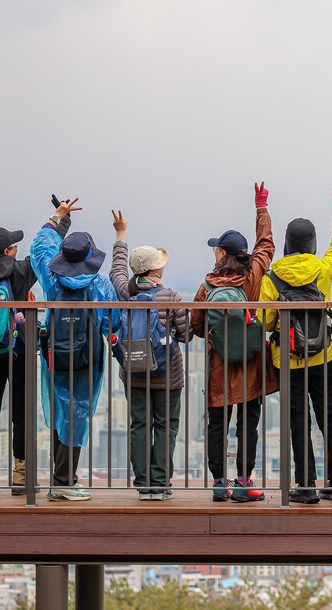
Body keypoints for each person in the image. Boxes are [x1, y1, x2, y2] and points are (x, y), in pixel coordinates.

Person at [259, 189, 332, 504]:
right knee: (330, 417)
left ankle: (306, 485)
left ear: (287, 243)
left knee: (298, 421)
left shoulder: (272, 279)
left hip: (288, 360)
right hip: (324, 356)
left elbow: (267, 320)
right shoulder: (323, 270)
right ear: (312, 243)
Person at [0, 218, 66, 496]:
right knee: (20, 415)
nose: (17, 249)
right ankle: (21, 478)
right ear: (7, 251)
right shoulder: (18, 272)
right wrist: (59, 220)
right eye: (14, 245)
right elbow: (44, 252)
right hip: (18, 353)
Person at [30, 198, 121, 502]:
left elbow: (40, 246)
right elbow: (113, 322)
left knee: (59, 410)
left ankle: (60, 479)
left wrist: (57, 216)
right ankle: (64, 481)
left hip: (55, 355)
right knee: (77, 415)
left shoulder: (51, 278)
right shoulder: (101, 285)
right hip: (87, 359)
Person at [191, 182, 276, 503]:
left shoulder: (206, 287)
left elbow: (198, 326)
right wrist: (261, 206)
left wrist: (218, 337)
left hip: (219, 366)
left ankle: (218, 483)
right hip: (252, 364)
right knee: (247, 425)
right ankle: (243, 481)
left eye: (216, 248)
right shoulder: (253, 277)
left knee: (217, 425)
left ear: (223, 254)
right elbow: (265, 245)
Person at [109, 210, 191, 501]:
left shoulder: (125, 293)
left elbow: (117, 271)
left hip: (134, 370)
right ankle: (161, 483)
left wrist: (120, 236)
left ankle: (143, 484)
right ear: (156, 270)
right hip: (167, 374)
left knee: (139, 424)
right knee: (166, 425)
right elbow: (185, 334)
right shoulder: (171, 296)